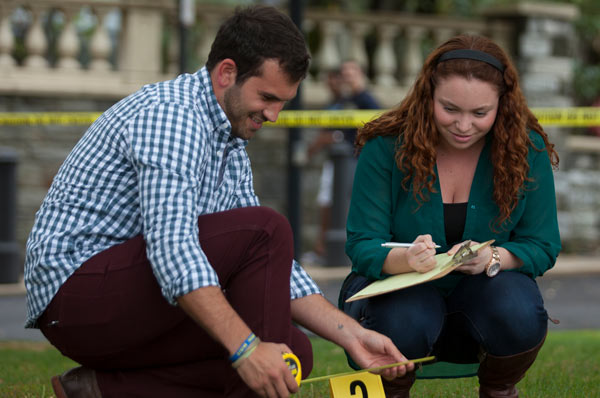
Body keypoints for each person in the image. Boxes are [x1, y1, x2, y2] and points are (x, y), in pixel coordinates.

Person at [24, 6, 414, 398]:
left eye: (283, 102)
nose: (275, 115)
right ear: (227, 72)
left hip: (130, 301)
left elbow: (274, 271)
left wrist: (354, 335)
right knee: (266, 232)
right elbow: (173, 249)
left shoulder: (229, 137)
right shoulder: (173, 117)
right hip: (76, 301)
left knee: (291, 355)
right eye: (267, 97)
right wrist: (246, 349)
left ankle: (97, 390)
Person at [339, 34, 561, 398]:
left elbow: (542, 244)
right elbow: (362, 244)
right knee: (405, 313)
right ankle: (391, 392)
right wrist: (404, 259)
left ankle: (499, 390)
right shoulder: (385, 146)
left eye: (480, 113)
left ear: (502, 105)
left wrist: (492, 257)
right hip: (398, 302)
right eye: (450, 109)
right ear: (428, 95)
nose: (463, 125)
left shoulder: (527, 150)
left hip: (479, 306)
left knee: (516, 306)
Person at [305, 61, 380, 261]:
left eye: (352, 72)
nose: (347, 76)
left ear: (361, 74)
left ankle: (340, 251)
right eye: (344, 72)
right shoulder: (345, 99)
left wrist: (338, 139)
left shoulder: (366, 100)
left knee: (346, 206)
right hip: (340, 161)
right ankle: (327, 249)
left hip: (354, 161)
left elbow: (374, 127)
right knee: (329, 204)